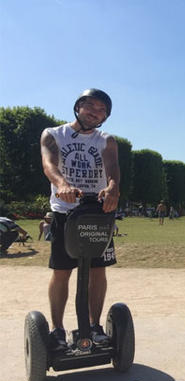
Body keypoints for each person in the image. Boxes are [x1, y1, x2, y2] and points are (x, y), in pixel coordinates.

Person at [39, 88, 120, 348]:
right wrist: (62, 183)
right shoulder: (53, 134)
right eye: (91, 107)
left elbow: (113, 169)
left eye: (101, 111)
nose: (95, 113)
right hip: (66, 212)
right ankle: (57, 330)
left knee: (98, 271)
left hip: (98, 214)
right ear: (79, 106)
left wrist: (112, 188)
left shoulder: (106, 140)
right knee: (61, 271)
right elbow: (49, 163)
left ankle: (95, 326)